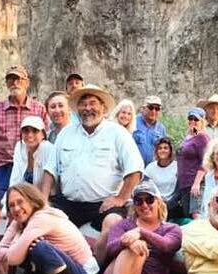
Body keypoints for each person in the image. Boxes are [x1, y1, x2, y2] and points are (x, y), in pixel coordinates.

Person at [40, 85, 143, 264]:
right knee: (41, 221)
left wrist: (120, 198)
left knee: (112, 223)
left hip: (104, 204)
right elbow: (50, 170)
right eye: (83, 104)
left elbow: (135, 169)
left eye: (93, 103)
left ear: (103, 107)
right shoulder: (66, 133)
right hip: (70, 202)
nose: (88, 108)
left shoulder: (118, 133)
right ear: (77, 108)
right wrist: (42, 200)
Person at [0, 183, 100, 274]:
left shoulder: (42, 217)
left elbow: (13, 257)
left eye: (20, 202)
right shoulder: (21, 221)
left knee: (39, 247)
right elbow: (0, 252)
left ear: (32, 200)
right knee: (29, 247)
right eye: (12, 205)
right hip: (71, 273)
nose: (16, 208)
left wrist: (18, 238)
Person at [99, 180, 181, 274]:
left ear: (159, 202)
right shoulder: (124, 225)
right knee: (137, 248)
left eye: (149, 200)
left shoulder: (172, 228)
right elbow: (110, 248)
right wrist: (129, 242)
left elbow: (168, 245)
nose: (144, 205)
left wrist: (141, 232)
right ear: (134, 205)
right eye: (139, 201)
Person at [0, 65, 49, 199]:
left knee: (28, 203)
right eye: (11, 79)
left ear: (27, 82)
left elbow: (46, 140)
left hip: (30, 165)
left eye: (19, 79)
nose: (15, 83)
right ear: (6, 83)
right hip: (2, 165)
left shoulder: (39, 108)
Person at [174, 107, 210, 220]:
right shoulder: (188, 138)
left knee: (196, 214)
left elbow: (205, 161)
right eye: (190, 118)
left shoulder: (202, 137)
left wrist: (197, 183)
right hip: (184, 184)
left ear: (202, 122)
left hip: (195, 183)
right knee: (187, 215)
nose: (193, 121)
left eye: (196, 119)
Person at [9, 116, 55, 191]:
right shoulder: (19, 146)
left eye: (35, 131)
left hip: (46, 197)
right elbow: (15, 178)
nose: (30, 135)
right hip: (23, 195)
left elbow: (49, 185)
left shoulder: (48, 148)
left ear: (43, 134)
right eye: (26, 131)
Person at [143, 137, 178, 208]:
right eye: (160, 148)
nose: (163, 150)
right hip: (154, 202)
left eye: (165, 148)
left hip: (172, 203)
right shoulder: (150, 167)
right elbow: (146, 186)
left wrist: (169, 202)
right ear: (156, 151)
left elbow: (179, 191)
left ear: (170, 151)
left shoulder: (177, 166)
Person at [133, 95, 167, 164]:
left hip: (153, 171)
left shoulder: (161, 128)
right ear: (143, 108)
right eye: (151, 107)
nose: (154, 111)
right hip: (135, 169)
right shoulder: (133, 123)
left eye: (157, 109)